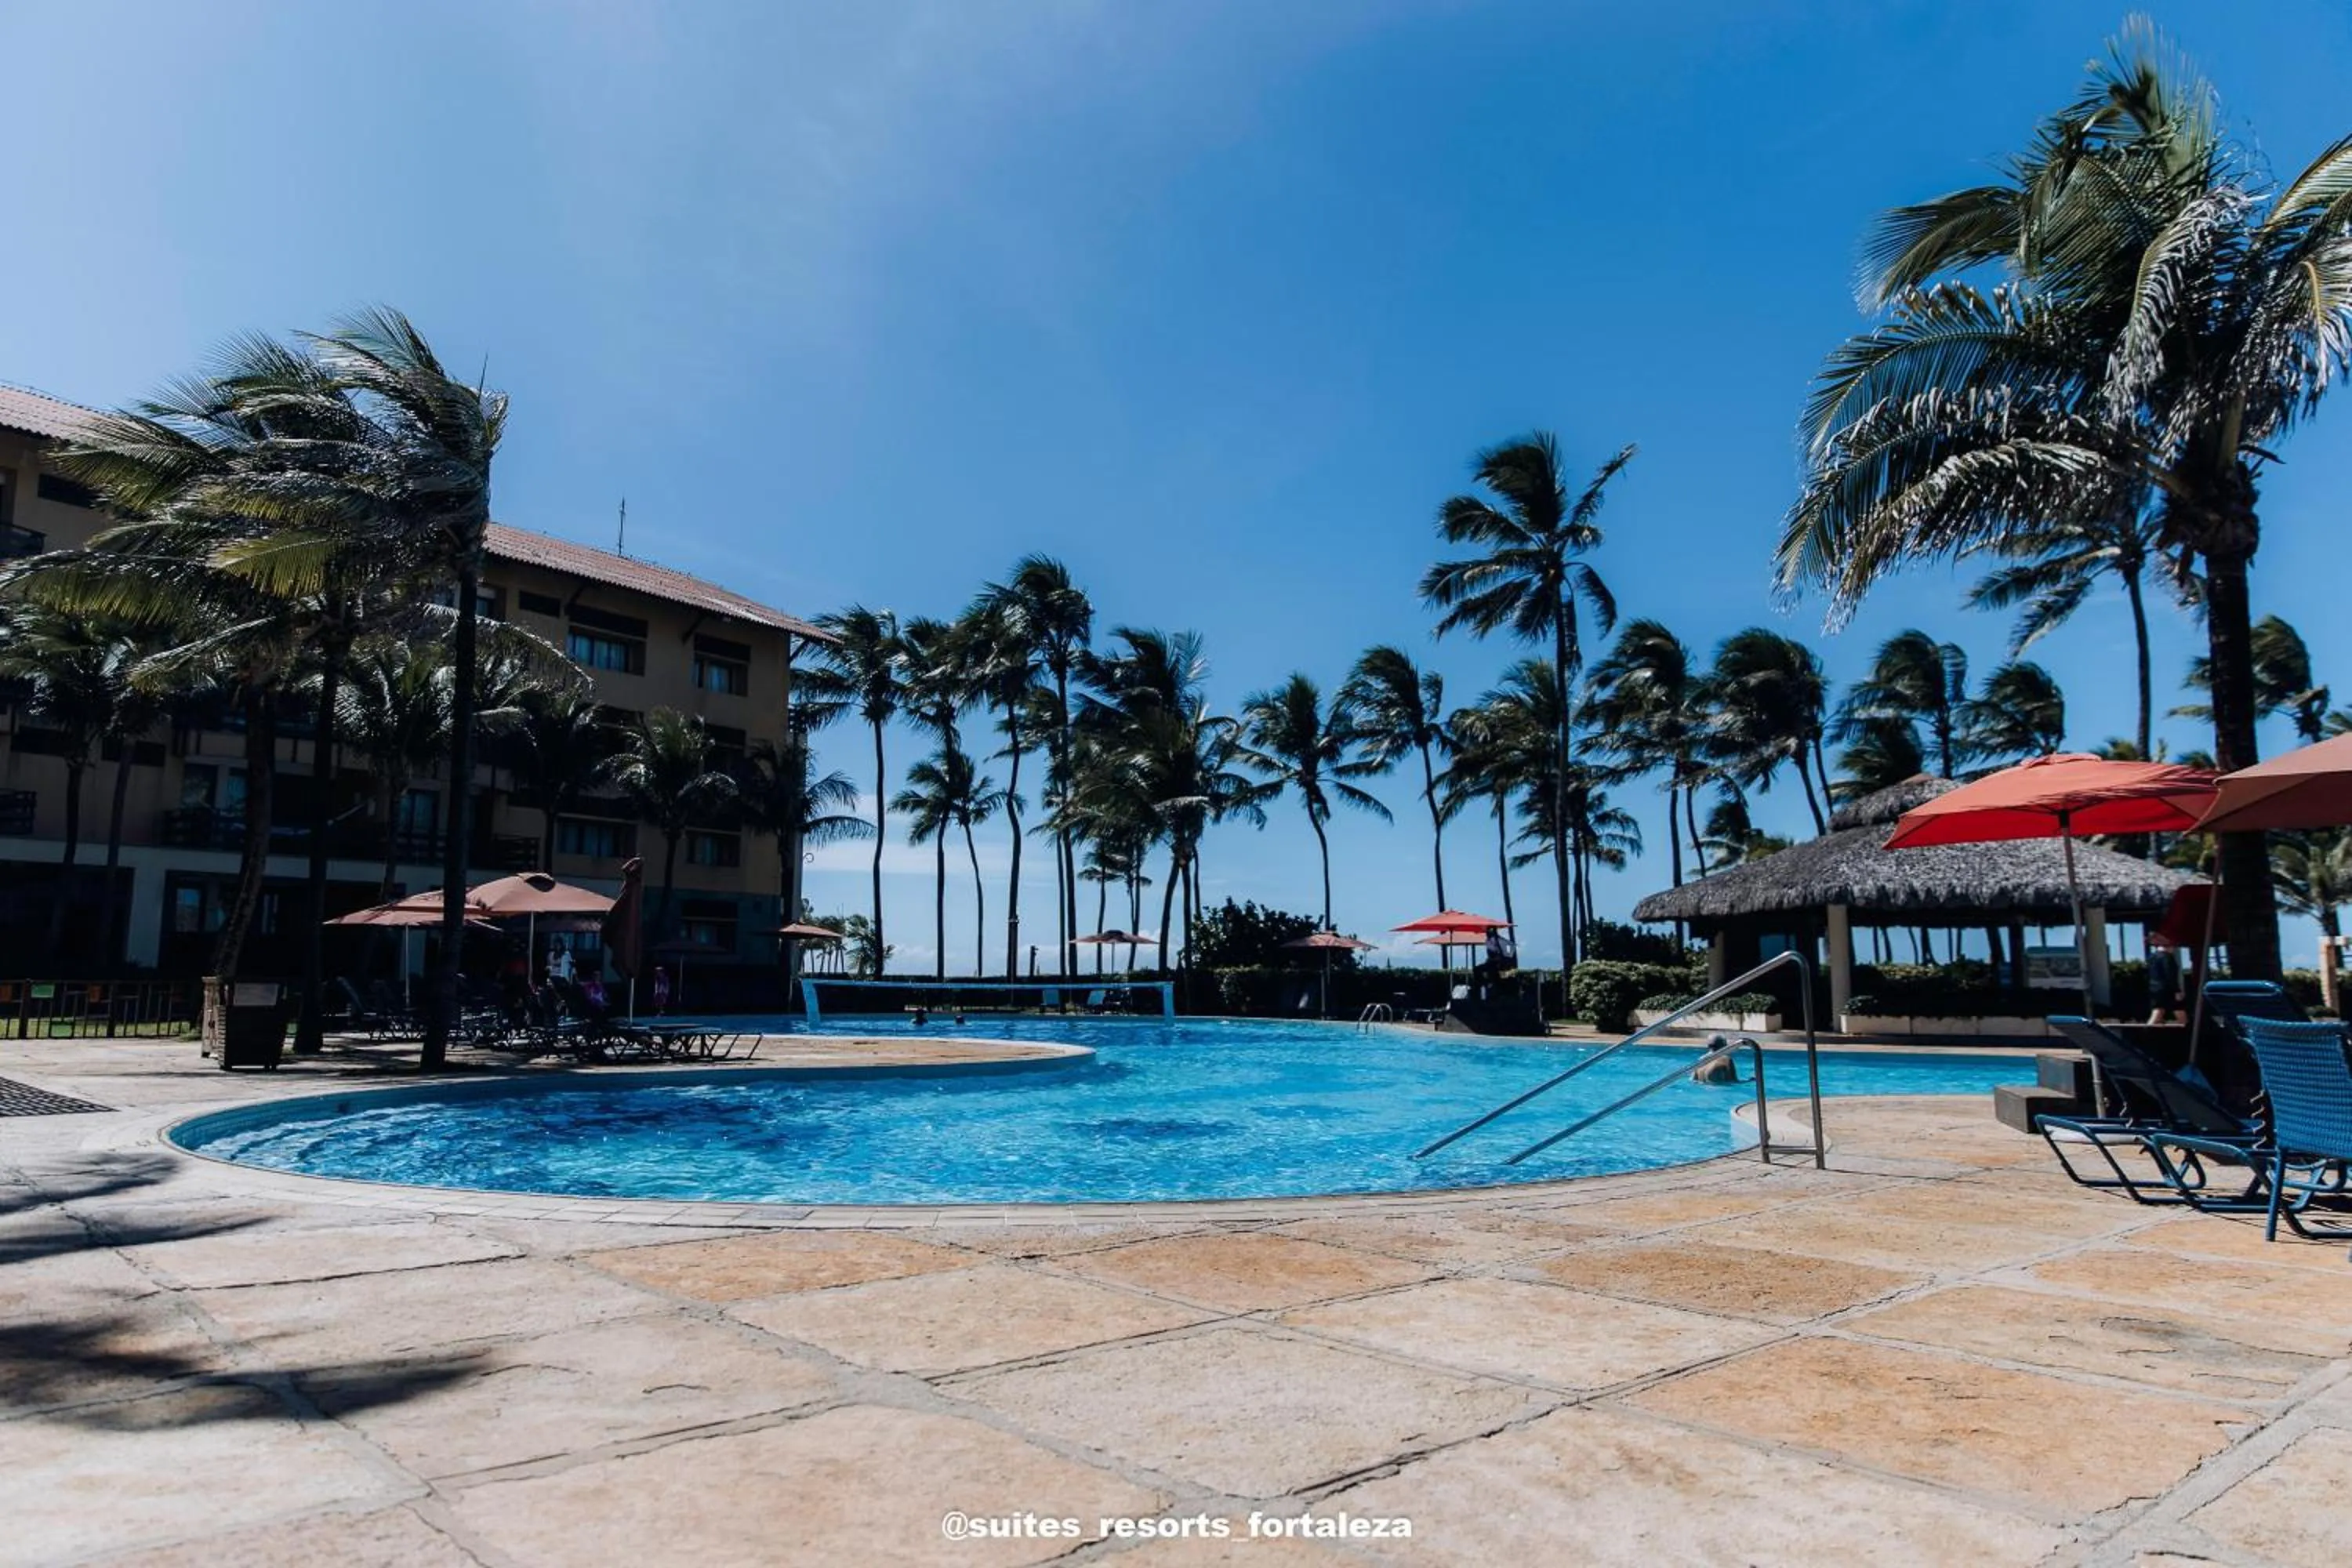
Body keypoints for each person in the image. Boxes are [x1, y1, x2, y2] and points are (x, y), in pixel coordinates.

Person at [2145, 932, 2185, 1026]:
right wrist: (2177, 991)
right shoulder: (2167, 957)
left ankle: (2147, 1031)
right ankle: (2189, 1032)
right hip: (2167, 989)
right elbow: (2170, 975)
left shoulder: (2153, 958)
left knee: (2158, 1011)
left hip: (2155, 988)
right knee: (2178, 1009)